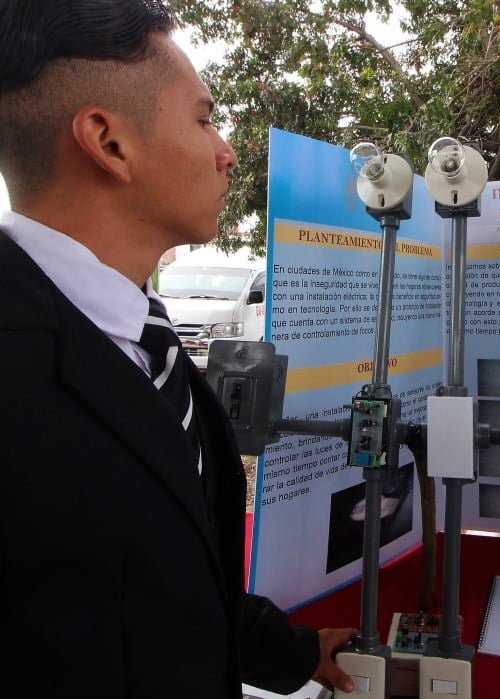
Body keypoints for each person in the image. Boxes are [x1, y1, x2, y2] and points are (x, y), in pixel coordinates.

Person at [0, 1, 357, 695]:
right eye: (203, 120)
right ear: (108, 142)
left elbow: (158, 579)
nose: (226, 151)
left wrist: (290, 651)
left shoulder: (144, 334)